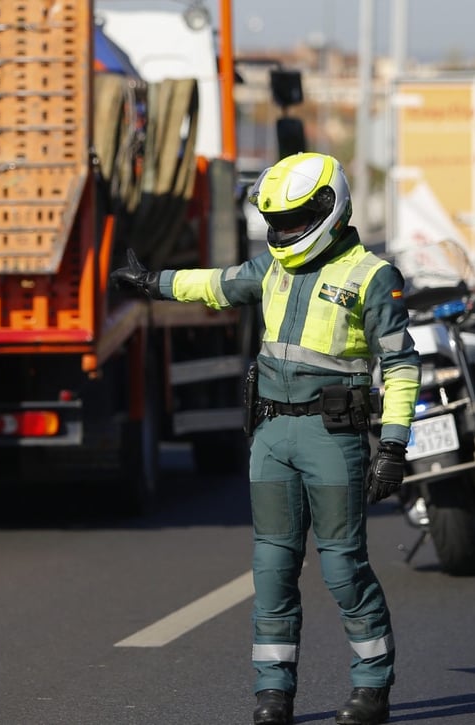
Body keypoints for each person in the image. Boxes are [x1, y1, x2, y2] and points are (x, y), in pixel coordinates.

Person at [111, 152, 421, 725]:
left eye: (295, 219)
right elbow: (218, 284)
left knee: (343, 568)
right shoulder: (274, 269)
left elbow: (401, 367)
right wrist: (152, 282)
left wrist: (395, 447)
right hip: (272, 435)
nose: (283, 233)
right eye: (276, 222)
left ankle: (372, 687)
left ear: (330, 207)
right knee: (272, 569)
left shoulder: (372, 277)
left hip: (333, 437)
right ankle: (272, 695)